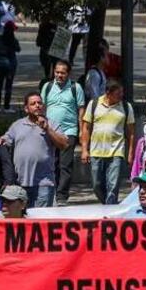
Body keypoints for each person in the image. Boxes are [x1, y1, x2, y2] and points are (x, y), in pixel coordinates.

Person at [1, 92, 70, 208]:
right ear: (26, 108)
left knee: (40, 220)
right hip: (20, 183)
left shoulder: (51, 124)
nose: (37, 105)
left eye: (39, 103)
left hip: (44, 183)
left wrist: (48, 129)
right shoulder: (17, 125)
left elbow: (64, 144)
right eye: (33, 104)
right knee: (24, 220)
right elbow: (5, 141)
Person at [79, 79, 134, 205]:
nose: (121, 96)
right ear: (108, 93)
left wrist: (130, 153)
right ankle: (107, 205)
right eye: (117, 93)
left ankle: (110, 212)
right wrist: (84, 150)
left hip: (116, 152)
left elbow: (131, 132)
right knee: (96, 185)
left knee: (113, 187)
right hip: (96, 151)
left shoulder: (126, 106)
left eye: (122, 93)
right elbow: (86, 128)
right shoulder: (94, 104)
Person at [41, 61, 85, 205]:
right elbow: (42, 108)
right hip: (50, 131)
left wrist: (81, 132)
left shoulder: (75, 88)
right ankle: (52, 191)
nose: (59, 75)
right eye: (57, 72)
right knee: (52, 162)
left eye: (62, 72)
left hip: (69, 131)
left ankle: (61, 196)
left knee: (65, 165)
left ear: (68, 74)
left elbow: (81, 111)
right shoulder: (47, 87)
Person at [0, 20, 20, 112]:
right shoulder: (13, 40)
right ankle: (7, 107)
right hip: (10, 66)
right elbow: (18, 49)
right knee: (8, 86)